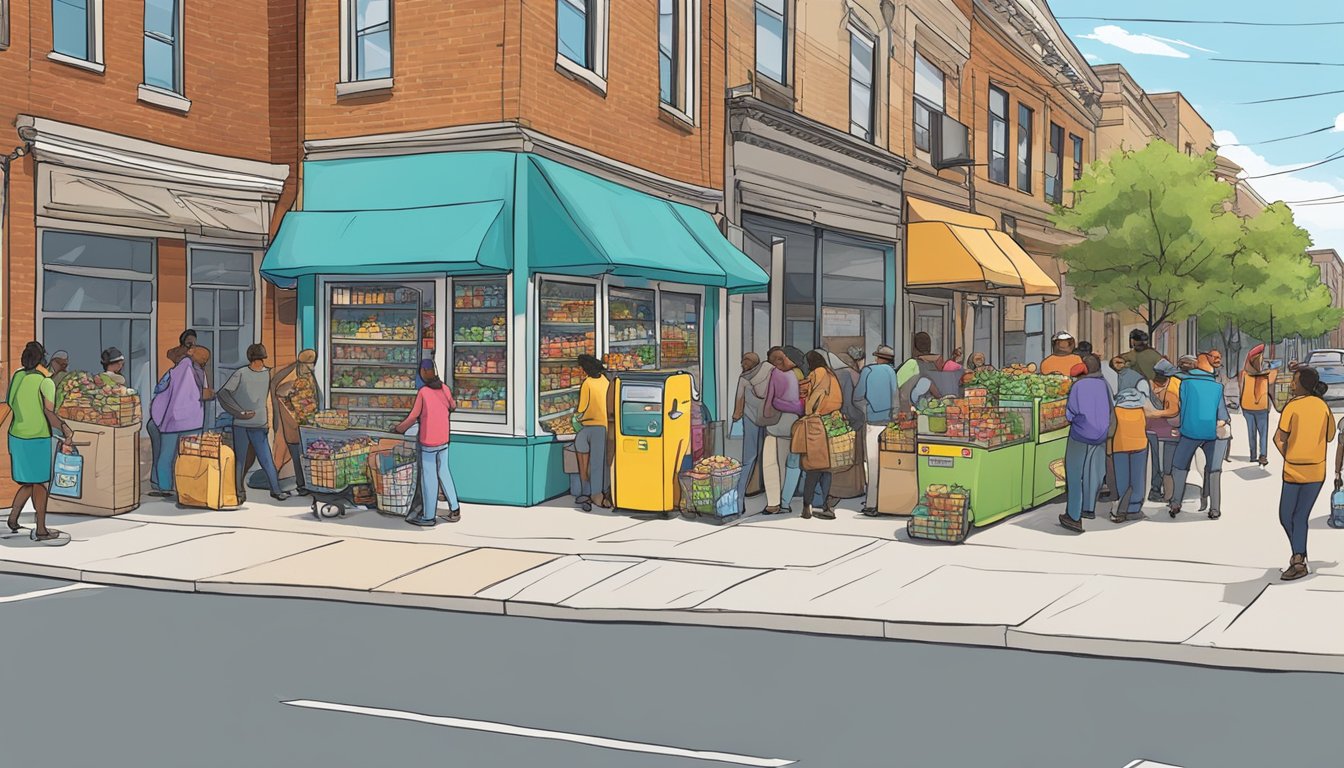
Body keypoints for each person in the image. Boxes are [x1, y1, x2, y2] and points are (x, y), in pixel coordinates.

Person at [3, 342, 76, 542]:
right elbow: (48, 412)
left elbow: (9, 401)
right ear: (43, 359)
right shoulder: (46, 382)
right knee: (41, 484)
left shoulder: (17, 376)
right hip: (37, 438)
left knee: (29, 481)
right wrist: (65, 428)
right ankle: (41, 529)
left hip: (17, 435)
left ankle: (13, 518)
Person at [1276, 367, 1335, 581]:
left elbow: (1279, 438)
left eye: (1294, 380)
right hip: (1314, 470)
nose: (1291, 384)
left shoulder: (1293, 407)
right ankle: (1299, 555)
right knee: (1295, 516)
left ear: (1304, 384)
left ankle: (1298, 559)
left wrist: (1290, 454)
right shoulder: (1323, 407)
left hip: (1295, 470)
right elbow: (1329, 437)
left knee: (1289, 516)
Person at [217, 344, 289, 502]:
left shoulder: (268, 374)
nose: (260, 363)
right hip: (241, 424)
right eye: (258, 360)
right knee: (240, 460)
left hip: (259, 424)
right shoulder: (240, 374)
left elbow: (281, 374)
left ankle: (275, 490)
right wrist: (238, 411)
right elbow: (222, 393)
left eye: (262, 360)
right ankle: (238, 492)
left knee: (266, 458)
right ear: (252, 360)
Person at [393, 360, 461, 526]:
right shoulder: (444, 388)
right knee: (444, 472)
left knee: (429, 478)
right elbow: (453, 405)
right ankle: (455, 508)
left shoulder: (423, 392)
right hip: (444, 439)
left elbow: (412, 416)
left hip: (429, 441)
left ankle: (429, 516)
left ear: (423, 372)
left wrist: (398, 429)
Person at [1167, 354, 1229, 520]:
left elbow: (1181, 408)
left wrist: (1178, 427)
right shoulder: (1217, 387)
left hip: (1189, 432)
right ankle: (1215, 508)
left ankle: (1175, 503)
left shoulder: (1185, 384)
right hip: (1211, 433)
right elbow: (1222, 416)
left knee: (1179, 466)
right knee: (1214, 470)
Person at [149, 346, 214, 498]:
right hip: (194, 420)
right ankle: (188, 486)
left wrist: (158, 414)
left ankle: (165, 487)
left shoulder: (178, 369)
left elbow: (161, 389)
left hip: (174, 420)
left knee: (166, 455)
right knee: (189, 455)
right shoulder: (201, 372)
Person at [1059, 357, 1111, 533]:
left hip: (1080, 434)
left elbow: (1070, 412)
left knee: (1075, 475)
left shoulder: (1078, 386)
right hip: (1101, 434)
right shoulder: (1104, 384)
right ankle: (1088, 509)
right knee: (1094, 473)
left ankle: (1074, 516)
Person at [855, 345, 899, 515]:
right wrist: (894, 416)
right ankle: (888, 502)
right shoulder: (891, 372)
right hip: (889, 422)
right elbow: (895, 396)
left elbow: (857, 396)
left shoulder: (868, 371)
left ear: (877, 358)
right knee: (888, 463)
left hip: (873, 422)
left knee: (872, 464)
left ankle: (872, 504)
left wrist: (867, 410)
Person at [270, 349, 322, 496]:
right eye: (309, 364)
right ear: (304, 364)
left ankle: (303, 484)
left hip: (303, 424)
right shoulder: (299, 380)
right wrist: (292, 413)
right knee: (299, 455)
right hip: (298, 425)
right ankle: (302, 485)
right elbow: (280, 392)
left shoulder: (307, 378)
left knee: (301, 455)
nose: (312, 367)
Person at [799, 351, 843, 521]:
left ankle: (806, 506)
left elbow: (810, 398)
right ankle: (826, 505)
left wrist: (808, 411)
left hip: (816, 424)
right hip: (832, 423)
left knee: (812, 468)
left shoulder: (816, 374)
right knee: (826, 469)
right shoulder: (831, 374)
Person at [760, 347, 804, 515]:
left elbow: (771, 400)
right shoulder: (797, 374)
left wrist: (769, 410)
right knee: (791, 464)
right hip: (793, 423)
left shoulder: (776, 374)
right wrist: (798, 408)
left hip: (777, 424)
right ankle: (785, 502)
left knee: (771, 463)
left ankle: (773, 503)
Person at [821, 349, 866, 504]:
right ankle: (854, 488)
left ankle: (836, 491)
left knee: (839, 456)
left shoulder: (834, 374)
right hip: (852, 419)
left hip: (836, 420)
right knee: (853, 455)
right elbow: (850, 401)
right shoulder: (849, 374)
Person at [570, 354, 611, 509]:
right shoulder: (604, 380)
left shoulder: (587, 383)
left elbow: (582, 407)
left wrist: (575, 416)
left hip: (592, 427)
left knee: (590, 459)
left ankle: (593, 493)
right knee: (602, 462)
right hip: (605, 426)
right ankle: (602, 492)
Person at [732, 353, 772, 511]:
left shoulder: (744, 378)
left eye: (744, 361)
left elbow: (739, 400)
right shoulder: (769, 370)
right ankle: (759, 488)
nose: (742, 364)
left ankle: (740, 496)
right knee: (766, 455)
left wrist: (736, 415)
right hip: (770, 417)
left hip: (751, 419)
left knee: (749, 457)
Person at [1108, 388, 1149, 523]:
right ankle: (1134, 509)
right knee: (1137, 479)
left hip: (1120, 446)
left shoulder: (1117, 410)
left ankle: (1120, 508)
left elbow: (1111, 429)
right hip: (1140, 446)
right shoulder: (1141, 410)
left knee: (1122, 479)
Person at [1145, 360, 1182, 502]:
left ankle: (1159, 490)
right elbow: (1173, 410)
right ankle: (1157, 490)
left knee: (1160, 463)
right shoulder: (1169, 385)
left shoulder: (1171, 386)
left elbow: (1173, 410)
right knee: (1157, 463)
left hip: (1163, 431)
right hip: (1158, 431)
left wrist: (1154, 413)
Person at [1240, 344, 1276, 466]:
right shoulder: (1265, 375)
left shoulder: (1245, 374)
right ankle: (1261, 455)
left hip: (1250, 406)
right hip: (1258, 407)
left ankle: (1256, 455)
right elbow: (1273, 375)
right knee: (1262, 432)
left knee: (1254, 432)